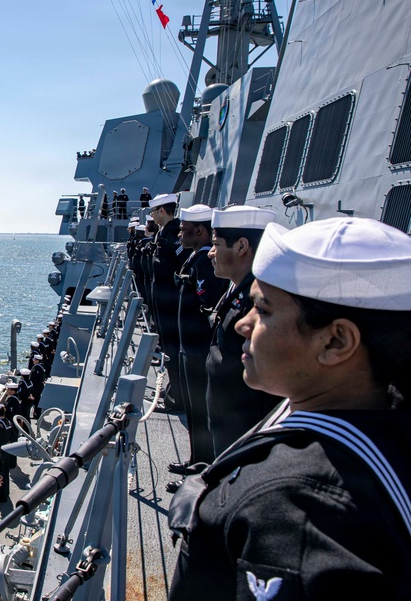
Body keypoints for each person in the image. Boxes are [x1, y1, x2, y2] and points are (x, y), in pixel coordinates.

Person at [168, 217, 411, 599]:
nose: (242, 325)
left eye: (263, 311)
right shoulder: (383, 417)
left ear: (335, 342)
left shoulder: (299, 509)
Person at [204, 205, 280, 458]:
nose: (210, 253)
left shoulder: (258, 297)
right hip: (226, 416)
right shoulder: (237, 288)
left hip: (242, 421)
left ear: (241, 246)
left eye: (216, 244)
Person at [172, 205, 227, 474]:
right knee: (194, 411)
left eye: (184, 230)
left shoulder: (205, 262)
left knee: (203, 413)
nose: (180, 234)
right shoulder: (194, 258)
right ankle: (196, 459)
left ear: (200, 231)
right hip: (187, 346)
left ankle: (202, 463)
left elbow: (207, 305)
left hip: (197, 348)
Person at [148, 193, 188, 412]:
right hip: (163, 300)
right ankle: (172, 389)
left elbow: (183, 260)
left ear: (162, 211)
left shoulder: (173, 233)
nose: (152, 215)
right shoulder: (165, 232)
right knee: (168, 348)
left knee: (172, 348)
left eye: (153, 211)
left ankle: (176, 399)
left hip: (169, 301)